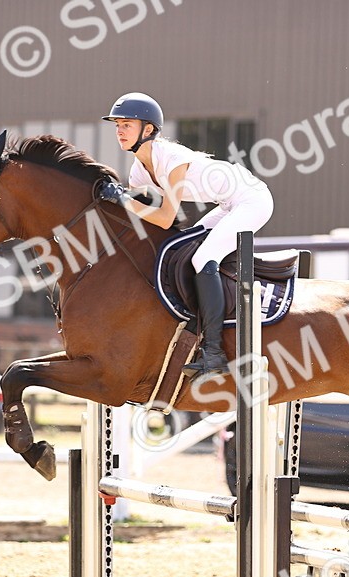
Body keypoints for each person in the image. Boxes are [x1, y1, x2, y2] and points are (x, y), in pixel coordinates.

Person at [100, 92, 274, 377]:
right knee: (184, 249)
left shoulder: (172, 159)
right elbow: (140, 217)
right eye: (117, 124)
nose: (119, 130)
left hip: (252, 199)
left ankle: (215, 353)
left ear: (148, 129)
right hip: (227, 204)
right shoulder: (138, 172)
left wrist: (122, 200)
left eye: (126, 124)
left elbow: (166, 217)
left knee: (203, 256)